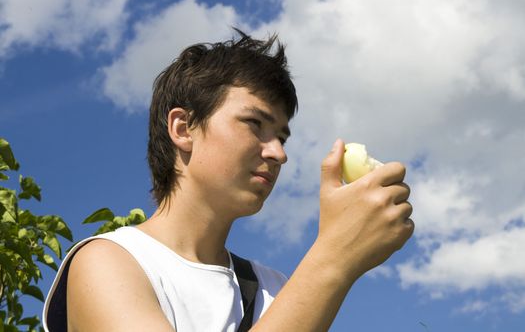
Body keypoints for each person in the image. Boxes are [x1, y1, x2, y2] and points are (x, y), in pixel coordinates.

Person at [43, 30, 414, 331]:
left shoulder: (276, 289)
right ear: (183, 128)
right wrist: (335, 258)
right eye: (255, 124)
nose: (278, 153)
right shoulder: (108, 262)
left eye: (282, 138)